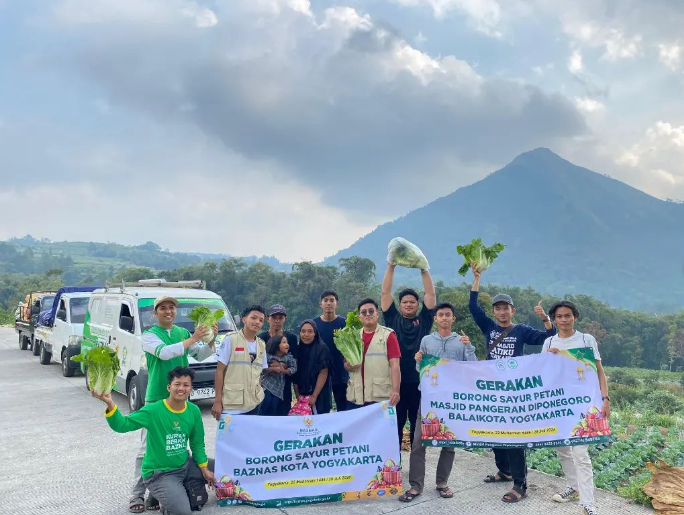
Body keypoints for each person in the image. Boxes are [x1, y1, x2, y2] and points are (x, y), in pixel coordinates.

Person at [469, 263, 555, 503]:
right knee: (494, 433)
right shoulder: (489, 327)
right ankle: (504, 471)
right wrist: (477, 278)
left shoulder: (522, 330)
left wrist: (546, 319)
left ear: (512, 310)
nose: (502, 312)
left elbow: (547, 337)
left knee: (514, 437)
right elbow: (473, 308)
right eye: (498, 308)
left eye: (506, 308)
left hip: (514, 391)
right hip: (492, 388)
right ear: (494, 312)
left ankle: (520, 484)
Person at [132, 296, 217, 513]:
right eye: (163, 308)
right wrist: (195, 337)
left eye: (171, 308)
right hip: (156, 398)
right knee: (146, 448)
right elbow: (165, 353)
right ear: (155, 313)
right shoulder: (150, 335)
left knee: (175, 443)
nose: (168, 311)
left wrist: (210, 340)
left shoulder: (181, 333)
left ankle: (158, 493)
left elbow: (200, 354)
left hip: (180, 398)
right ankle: (137, 494)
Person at [93, 367, 215, 515]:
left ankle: (177, 492)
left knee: (222, 467)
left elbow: (197, 444)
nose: (181, 388)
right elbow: (122, 425)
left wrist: (204, 469)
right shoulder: (154, 410)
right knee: (184, 512)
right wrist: (110, 405)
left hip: (185, 465)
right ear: (169, 387)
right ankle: (165, 501)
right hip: (160, 474)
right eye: (177, 384)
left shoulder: (193, 410)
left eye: (186, 385)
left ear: (191, 388)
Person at [399, 302, 476, 502]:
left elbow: (472, 367)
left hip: (451, 401)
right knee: (418, 443)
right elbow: (421, 370)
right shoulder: (426, 340)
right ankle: (416, 485)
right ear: (435, 319)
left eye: (447, 314)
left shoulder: (461, 342)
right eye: (440, 314)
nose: (444, 317)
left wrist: (469, 346)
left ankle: (442, 483)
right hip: (428, 400)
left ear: (453, 318)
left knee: (448, 443)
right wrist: (418, 360)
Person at [544, 300, 609, 515]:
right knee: (562, 449)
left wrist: (605, 399)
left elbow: (599, 370)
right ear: (554, 319)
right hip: (558, 404)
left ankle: (588, 503)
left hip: (584, 404)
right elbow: (544, 375)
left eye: (568, 316)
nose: (564, 320)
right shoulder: (549, 342)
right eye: (560, 316)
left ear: (575, 317)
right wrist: (549, 359)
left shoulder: (586, 340)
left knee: (580, 453)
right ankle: (573, 487)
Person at [381, 263, 436, 446]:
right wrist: (391, 266)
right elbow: (385, 293)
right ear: (400, 304)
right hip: (394, 383)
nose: (409, 304)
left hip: (419, 382)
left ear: (417, 305)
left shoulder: (424, 320)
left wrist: (424, 269)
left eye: (412, 302)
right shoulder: (392, 318)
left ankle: (415, 466)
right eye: (405, 302)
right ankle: (394, 465)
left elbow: (431, 295)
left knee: (417, 425)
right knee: (393, 425)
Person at [211, 305, 268, 420]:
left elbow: (259, 373)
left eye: (261, 320)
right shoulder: (230, 340)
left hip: (254, 403)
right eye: (254, 318)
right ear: (244, 319)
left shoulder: (261, 344)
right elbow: (219, 371)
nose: (257, 322)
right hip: (233, 405)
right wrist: (217, 401)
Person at [345, 298, 401, 409]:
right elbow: (346, 365)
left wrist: (396, 391)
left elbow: (395, 365)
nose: (368, 314)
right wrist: (350, 366)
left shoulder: (388, 335)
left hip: (379, 396)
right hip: (356, 396)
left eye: (371, 311)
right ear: (359, 317)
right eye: (364, 312)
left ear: (377, 314)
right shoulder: (352, 336)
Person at [258, 304, 298, 415]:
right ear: (267, 319)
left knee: (282, 418)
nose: (277, 321)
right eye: (274, 318)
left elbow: (294, 362)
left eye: (280, 318)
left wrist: (280, 366)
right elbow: (257, 364)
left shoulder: (291, 338)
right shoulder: (261, 339)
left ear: (285, 319)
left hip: (284, 386)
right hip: (265, 386)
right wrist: (271, 368)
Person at [313, 290, 348, 412]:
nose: (329, 303)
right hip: (320, 374)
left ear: (337, 303)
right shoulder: (314, 324)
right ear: (320, 304)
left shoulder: (344, 323)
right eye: (326, 300)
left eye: (332, 300)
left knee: (343, 409)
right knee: (322, 409)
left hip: (341, 373)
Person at [293, 320, 333, 414]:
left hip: (320, 394)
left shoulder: (322, 348)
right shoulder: (298, 350)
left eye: (310, 331)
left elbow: (324, 372)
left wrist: (314, 396)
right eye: (303, 331)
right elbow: (295, 375)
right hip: (303, 396)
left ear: (315, 333)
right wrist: (298, 395)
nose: (306, 334)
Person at [259, 335, 298, 415]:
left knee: (273, 407)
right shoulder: (267, 356)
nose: (287, 344)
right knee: (265, 404)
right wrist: (272, 369)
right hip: (266, 386)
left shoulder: (288, 358)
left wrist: (285, 371)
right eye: (284, 342)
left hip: (278, 389)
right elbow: (260, 368)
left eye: (287, 342)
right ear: (276, 345)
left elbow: (294, 368)